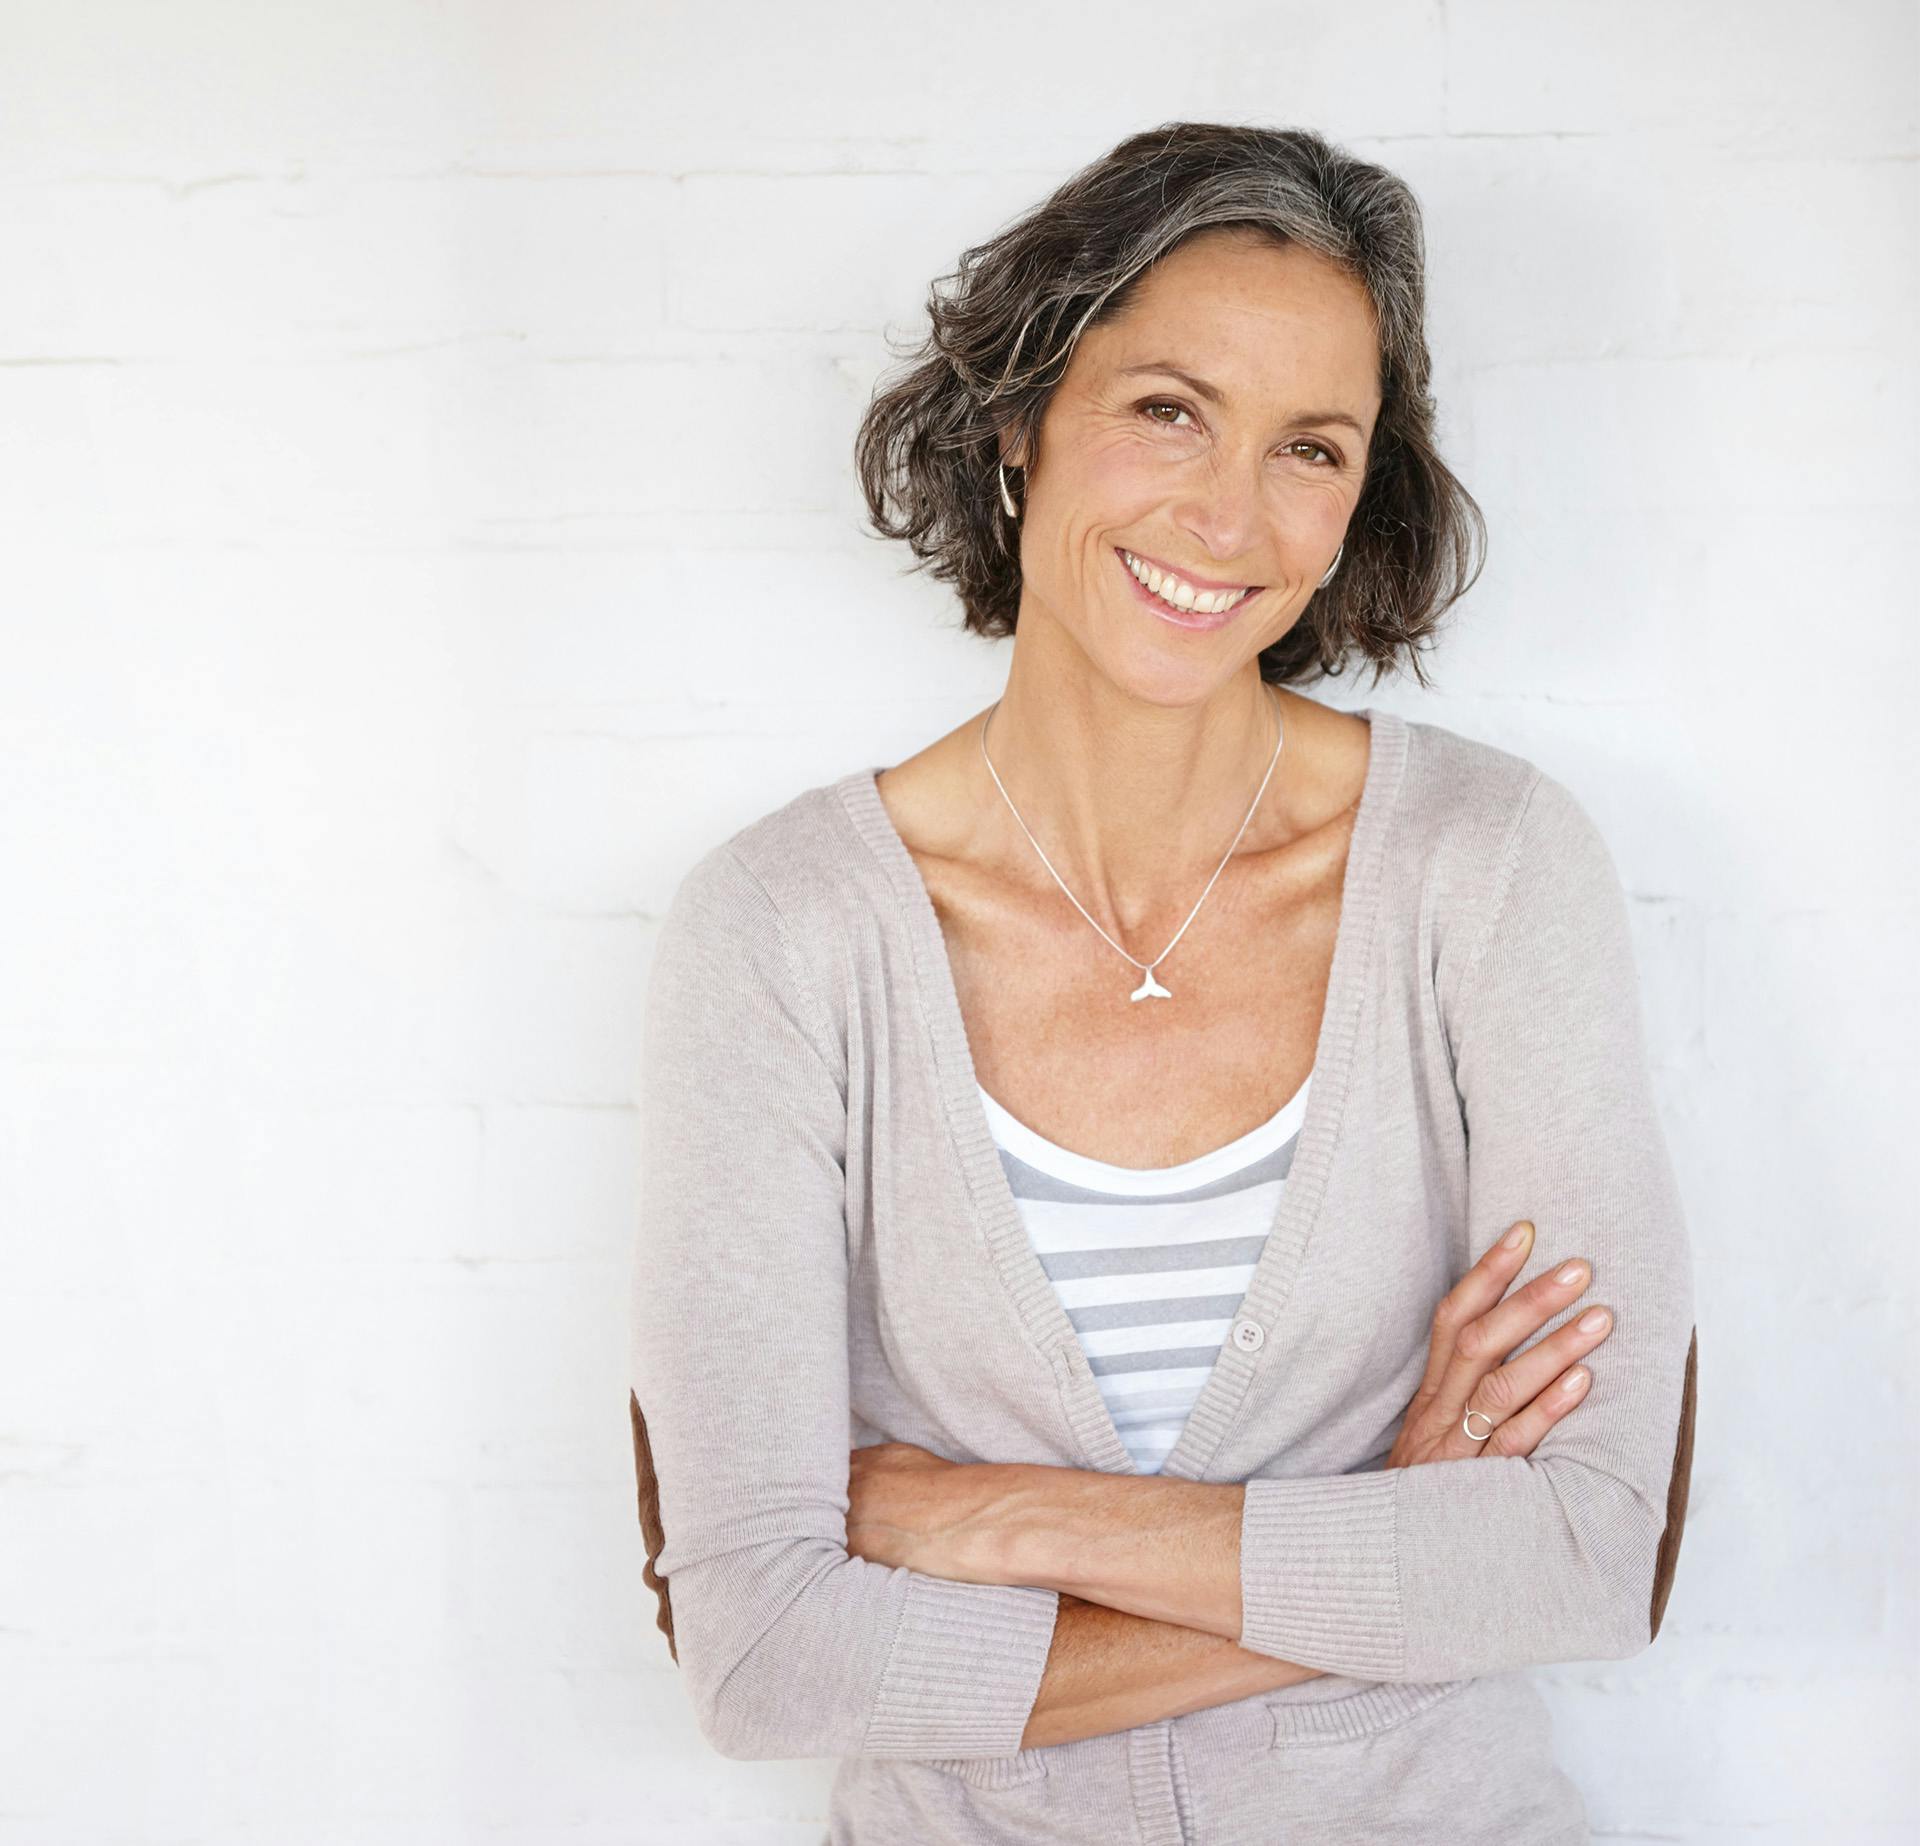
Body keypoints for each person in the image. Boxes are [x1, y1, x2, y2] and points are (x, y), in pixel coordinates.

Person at [628, 121, 1698, 1845]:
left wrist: (986, 1518)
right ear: (1017, 421)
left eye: (1312, 446)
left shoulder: (1490, 869)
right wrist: (1386, 1547)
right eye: (1167, 407)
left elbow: (1589, 1549)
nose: (1227, 512)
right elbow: (761, 1652)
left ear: (1362, 498)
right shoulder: (783, 931)